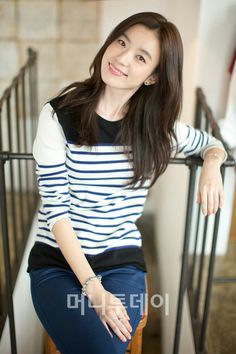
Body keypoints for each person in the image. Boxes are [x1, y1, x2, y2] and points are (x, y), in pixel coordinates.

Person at [27, 12, 228, 354]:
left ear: (152, 77)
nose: (121, 58)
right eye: (121, 42)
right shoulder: (58, 116)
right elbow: (56, 212)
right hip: (58, 261)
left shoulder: (156, 128)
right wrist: (93, 289)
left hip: (121, 261)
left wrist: (211, 164)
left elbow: (214, 144)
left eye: (140, 57)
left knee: (110, 345)